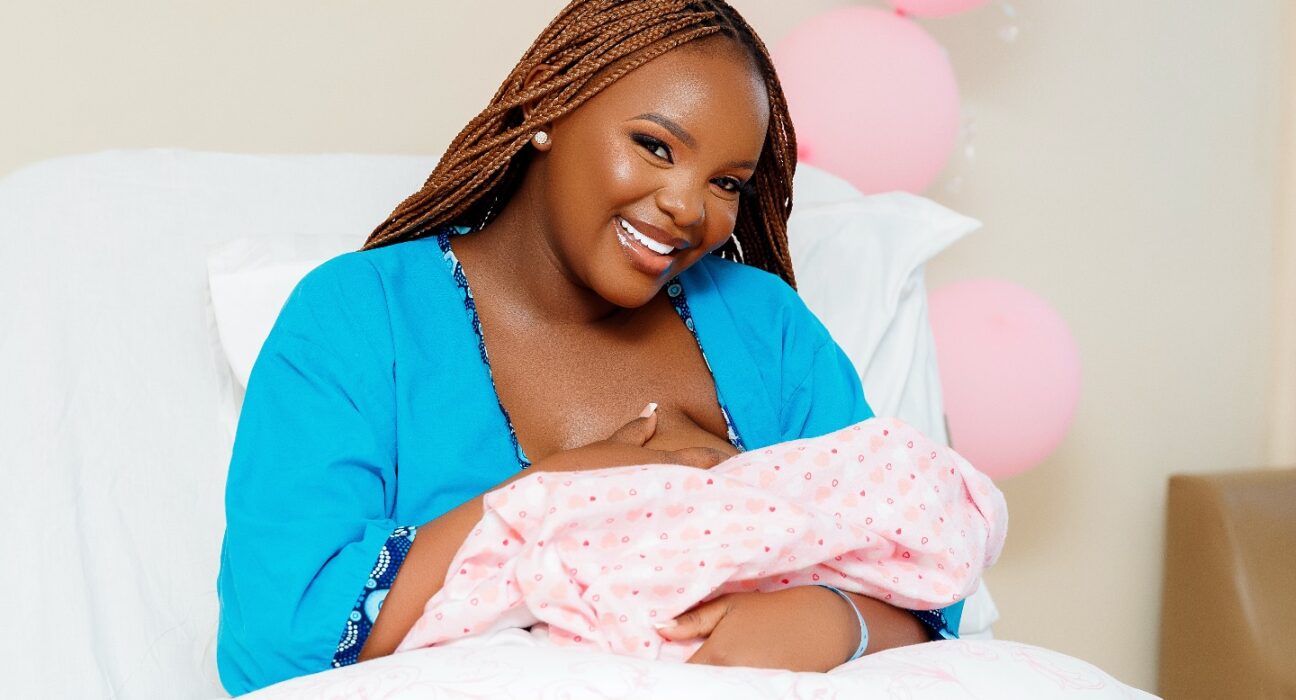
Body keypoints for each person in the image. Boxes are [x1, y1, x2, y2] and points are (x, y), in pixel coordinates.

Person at [216, 0, 962, 695]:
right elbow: (274, 647)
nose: (687, 208)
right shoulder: (360, 316)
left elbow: (926, 562)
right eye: (655, 145)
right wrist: (555, 492)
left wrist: (842, 622)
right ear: (549, 101)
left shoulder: (764, 328)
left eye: (726, 183)